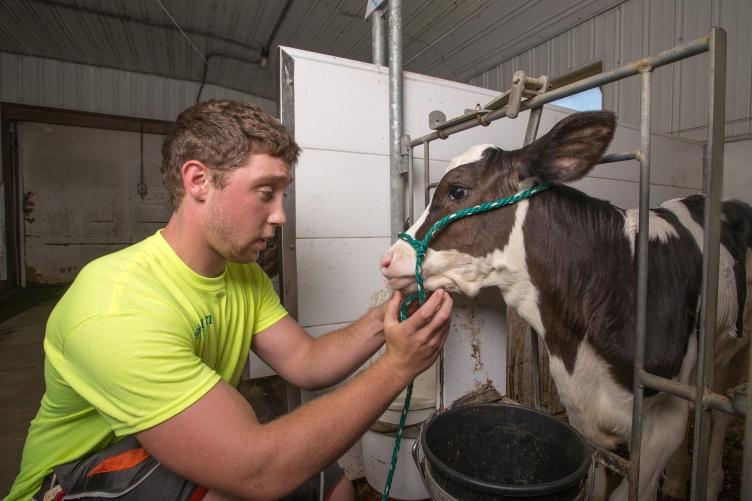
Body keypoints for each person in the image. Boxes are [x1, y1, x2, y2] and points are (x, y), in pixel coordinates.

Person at [5, 100, 453, 501]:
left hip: (155, 444)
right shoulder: (116, 306)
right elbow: (257, 470)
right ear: (198, 180)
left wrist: (388, 318)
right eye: (265, 193)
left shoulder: (241, 272)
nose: (280, 214)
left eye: (283, 195)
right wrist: (399, 365)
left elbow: (306, 361)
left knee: (328, 482)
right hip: (71, 478)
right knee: (246, 487)